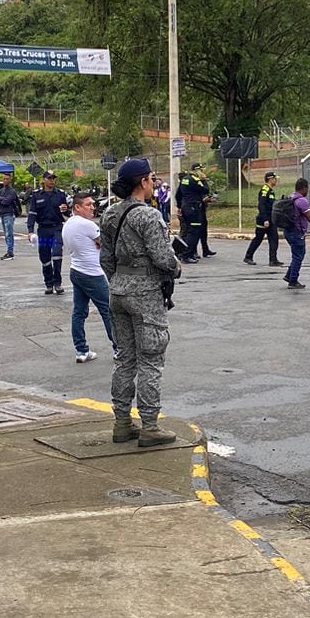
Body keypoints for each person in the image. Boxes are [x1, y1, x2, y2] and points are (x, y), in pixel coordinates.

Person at [99, 159, 179, 447]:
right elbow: (163, 258)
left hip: (118, 290)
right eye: (152, 179)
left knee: (125, 359)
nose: (155, 183)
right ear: (144, 181)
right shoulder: (148, 216)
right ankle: (150, 426)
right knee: (151, 359)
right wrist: (176, 267)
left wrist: (121, 280)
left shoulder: (109, 214)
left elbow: (105, 259)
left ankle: (122, 423)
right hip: (145, 294)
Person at [63, 191, 117, 364]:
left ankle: (81, 350)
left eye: (93, 204)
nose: (93, 207)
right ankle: (119, 348)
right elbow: (106, 243)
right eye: (88, 205)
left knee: (79, 312)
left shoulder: (69, 223)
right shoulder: (86, 225)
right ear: (77, 207)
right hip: (93, 273)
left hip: (76, 270)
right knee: (109, 311)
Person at [27, 171, 71, 294]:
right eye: (49, 178)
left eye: (53, 178)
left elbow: (67, 212)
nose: (52, 181)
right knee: (45, 257)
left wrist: (66, 210)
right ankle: (49, 283)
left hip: (57, 228)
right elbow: (32, 214)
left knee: (57, 254)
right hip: (44, 230)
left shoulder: (60, 194)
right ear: (44, 180)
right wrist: (30, 231)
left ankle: (58, 283)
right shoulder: (37, 195)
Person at [277, 177, 310, 288]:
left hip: (288, 231)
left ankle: (289, 275)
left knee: (297, 255)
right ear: (304, 188)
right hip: (296, 232)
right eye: (307, 188)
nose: (308, 191)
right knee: (298, 256)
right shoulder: (302, 201)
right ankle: (293, 281)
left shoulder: (291, 197)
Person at [244, 171, 283, 266]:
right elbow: (261, 205)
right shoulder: (265, 190)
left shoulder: (270, 190)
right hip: (264, 219)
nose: (276, 181)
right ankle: (248, 257)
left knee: (274, 239)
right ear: (270, 179)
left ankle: (273, 260)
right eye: (275, 179)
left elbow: (270, 204)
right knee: (258, 238)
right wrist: (265, 219)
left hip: (271, 218)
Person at [174, 167, 209, 263]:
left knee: (186, 231)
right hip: (193, 207)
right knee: (193, 232)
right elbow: (206, 190)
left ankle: (181, 253)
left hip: (185, 207)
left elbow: (178, 195)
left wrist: (180, 206)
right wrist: (204, 180)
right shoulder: (195, 179)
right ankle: (186, 255)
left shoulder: (184, 179)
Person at [0, 174, 22, 259]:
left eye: (7, 179)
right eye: (4, 179)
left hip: (9, 213)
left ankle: (10, 252)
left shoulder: (12, 191)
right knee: (6, 234)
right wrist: (2, 199)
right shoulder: (2, 190)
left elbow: (6, 202)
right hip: (3, 213)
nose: (5, 180)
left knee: (9, 234)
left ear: (10, 180)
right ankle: (9, 251)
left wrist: (0, 199)